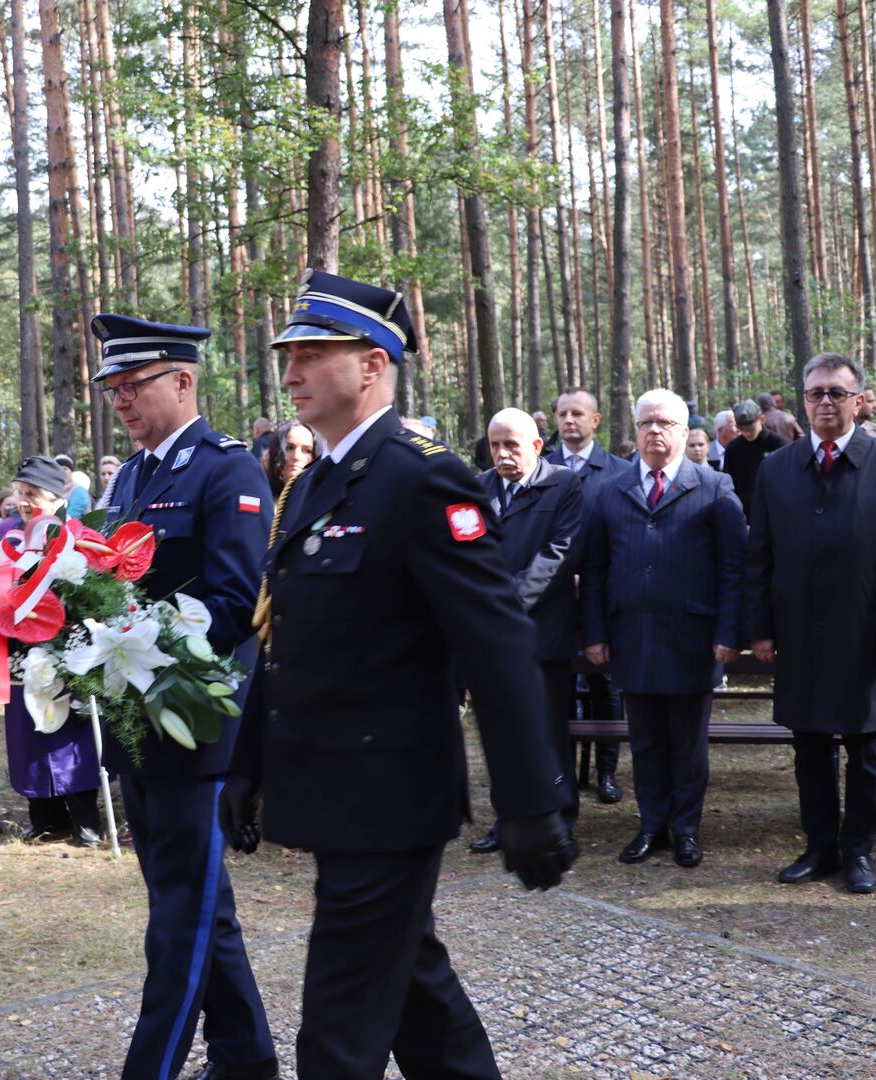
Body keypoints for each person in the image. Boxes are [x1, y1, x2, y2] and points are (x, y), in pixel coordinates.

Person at [226, 270, 576, 1080]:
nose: (291, 374)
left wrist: (530, 800)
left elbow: (497, 646)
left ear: (373, 364)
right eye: (289, 357)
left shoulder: (424, 478)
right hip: (331, 788)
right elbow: (285, 636)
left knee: (337, 1037)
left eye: (312, 356)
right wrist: (248, 760)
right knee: (419, 1000)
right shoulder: (312, 483)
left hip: (389, 796)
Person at [92, 311, 277, 1080]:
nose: (121, 402)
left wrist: (132, 636)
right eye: (111, 389)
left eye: (132, 385)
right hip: (137, 723)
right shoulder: (130, 478)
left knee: (180, 922)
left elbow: (234, 607)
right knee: (198, 906)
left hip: (195, 727)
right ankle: (247, 1060)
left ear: (181, 380)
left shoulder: (226, 471)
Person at [746, 352, 876, 895]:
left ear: (859, 401)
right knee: (809, 745)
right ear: (803, 401)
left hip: (864, 631)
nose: (825, 402)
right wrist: (760, 628)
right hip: (799, 629)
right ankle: (819, 847)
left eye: (836, 393)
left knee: (866, 747)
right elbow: (759, 555)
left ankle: (858, 851)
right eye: (815, 393)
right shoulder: (777, 467)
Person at [582, 389, 746, 868]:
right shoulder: (610, 490)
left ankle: (686, 830)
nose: (654, 430)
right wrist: (594, 632)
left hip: (691, 638)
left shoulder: (714, 487)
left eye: (665, 423)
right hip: (632, 636)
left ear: (684, 430)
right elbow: (595, 569)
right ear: (635, 430)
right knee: (646, 741)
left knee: (687, 744)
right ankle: (651, 825)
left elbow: (733, 568)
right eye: (646, 423)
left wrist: (729, 632)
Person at [467, 407, 584, 855]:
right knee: (501, 735)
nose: (502, 454)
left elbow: (559, 555)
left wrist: (502, 604)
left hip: (540, 634)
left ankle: (559, 819)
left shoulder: (563, 485)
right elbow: (466, 553)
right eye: (495, 445)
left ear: (537, 445)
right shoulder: (478, 488)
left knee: (548, 733)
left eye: (511, 445)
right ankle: (508, 819)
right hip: (489, 638)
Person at [1, 454, 104, 845]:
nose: (25, 502)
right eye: (21, 493)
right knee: (29, 734)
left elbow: (94, 594)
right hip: (20, 654)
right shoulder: (10, 540)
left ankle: (84, 819)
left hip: (65, 653)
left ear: (57, 499)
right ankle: (45, 818)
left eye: (34, 494)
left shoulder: (75, 536)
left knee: (69, 737)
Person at [543, 386, 626, 804]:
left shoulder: (619, 471)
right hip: (552, 598)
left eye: (577, 413)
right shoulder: (541, 469)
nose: (569, 420)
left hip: (602, 596)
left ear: (595, 420)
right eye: (562, 413)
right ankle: (561, 776)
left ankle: (606, 772)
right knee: (557, 688)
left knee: (604, 685)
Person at [723, 399, 787, 520]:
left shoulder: (779, 444)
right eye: (742, 429)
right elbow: (728, 482)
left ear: (762, 419)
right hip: (743, 512)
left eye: (751, 428)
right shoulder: (733, 448)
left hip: (774, 511)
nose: (747, 433)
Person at [260, 417, 321, 498]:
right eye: (289, 448)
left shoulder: (322, 499)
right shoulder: (260, 495)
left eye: (307, 451)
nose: (296, 457)